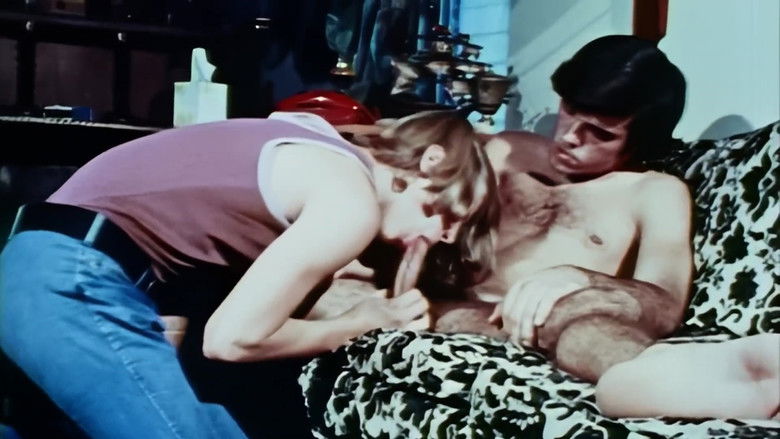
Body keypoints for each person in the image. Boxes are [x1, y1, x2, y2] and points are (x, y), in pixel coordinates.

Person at [0, 110, 498, 438]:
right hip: (74, 279)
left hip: (34, 263)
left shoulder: (313, 141)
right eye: (448, 215)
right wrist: (362, 323)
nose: (441, 236)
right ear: (431, 162)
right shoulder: (352, 202)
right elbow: (232, 340)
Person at [435, 34, 778, 420]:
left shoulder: (653, 192)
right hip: (457, 308)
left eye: (600, 133)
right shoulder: (507, 148)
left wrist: (579, 277)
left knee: (585, 330)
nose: (569, 137)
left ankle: (724, 383)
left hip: (559, 324)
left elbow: (666, 302)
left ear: (639, 142)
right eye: (569, 109)